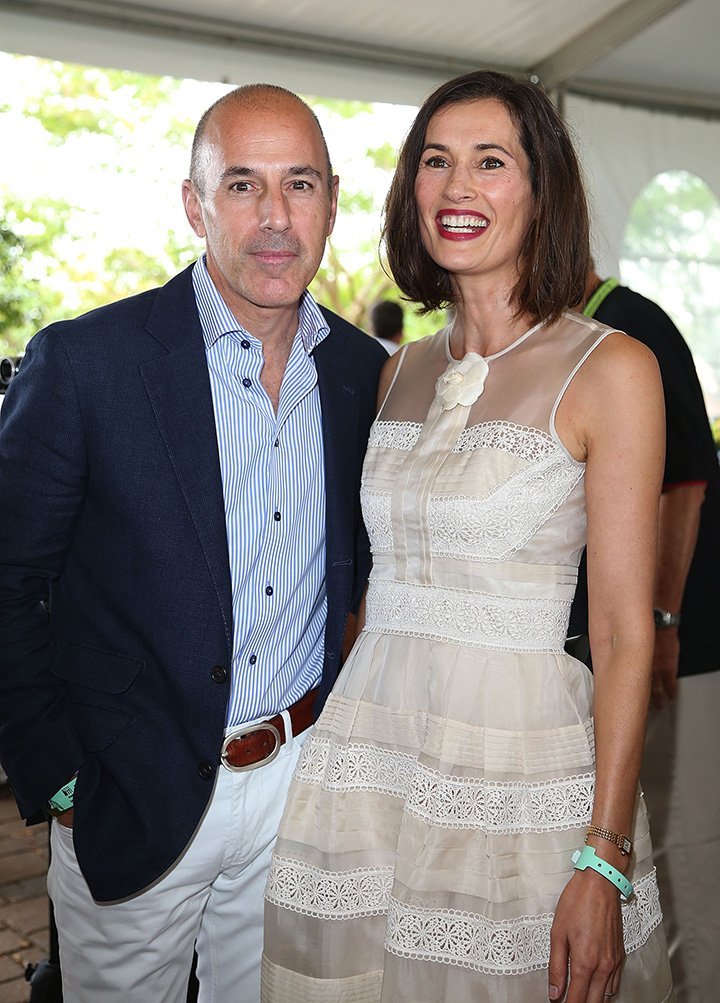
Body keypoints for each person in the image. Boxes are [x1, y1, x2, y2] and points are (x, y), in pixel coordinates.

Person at [262, 70, 673, 1002]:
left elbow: (620, 632)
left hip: (517, 774)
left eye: (491, 162)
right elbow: (374, 592)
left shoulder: (613, 369)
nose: (457, 188)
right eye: (436, 162)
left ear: (542, 188)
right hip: (369, 764)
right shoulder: (396, 370)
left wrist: (603, 856)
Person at [0, 83, 386, 1003]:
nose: (275, 218)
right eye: (243, 185)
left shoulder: (364, 377)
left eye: (299, 185)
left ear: (332, 201)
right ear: (194, 204)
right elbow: (9, 576)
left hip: (297, 779)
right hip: (132, 790)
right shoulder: (89, 363)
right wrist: (56, 775)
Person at [569, 271, 720, 1002]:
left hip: (681, 641)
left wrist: (663, 621)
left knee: (683, 843)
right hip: (629, 639)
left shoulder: (631, 324)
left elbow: (687, 480)